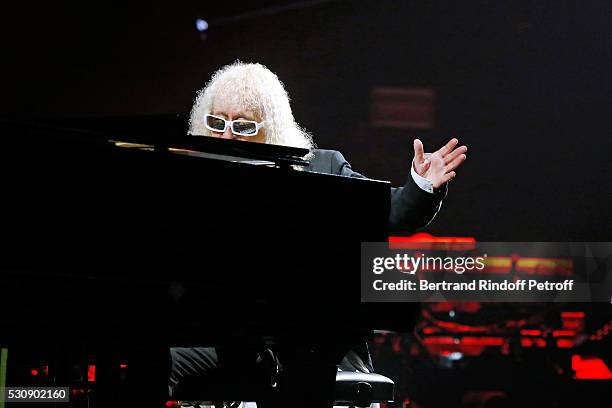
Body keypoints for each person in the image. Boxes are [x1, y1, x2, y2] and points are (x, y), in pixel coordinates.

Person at [169, 61, 467, 405]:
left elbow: (392, 212)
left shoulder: (322, 168)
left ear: (273, 126)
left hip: (314, 342)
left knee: (306, 366)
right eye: (217, 123)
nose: (227, 136)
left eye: (244, 126)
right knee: (150, 361)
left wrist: (421, 184)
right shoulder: (194, 180)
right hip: (226, 339)